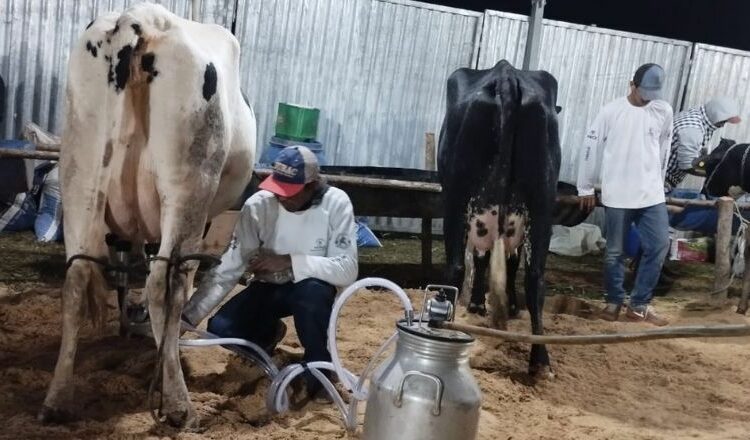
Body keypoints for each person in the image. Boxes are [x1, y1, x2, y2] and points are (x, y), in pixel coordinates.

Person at [182, 145, 358, 398]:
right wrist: (187, 319)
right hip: (270, 286)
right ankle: (268, 346)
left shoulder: (336, 203)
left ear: (312, 185)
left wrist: (289, 261)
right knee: (222, 328)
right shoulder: (258, 207)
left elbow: (347, 269)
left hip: (312, 288)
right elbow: (228, 270)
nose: (282, 198)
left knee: (312, 293)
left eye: (290, 192)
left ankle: (318, 366)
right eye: (278, 190)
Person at [577, 63, 673, 326]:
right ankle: (613, 300)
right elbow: (590, 145)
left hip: (652, 194)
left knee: (659, 245)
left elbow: (663, 147)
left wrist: (660, 182)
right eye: (643, 90)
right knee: (614, 252)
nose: (647, 96)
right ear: (632, 84)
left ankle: (639, 304)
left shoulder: (663, 110)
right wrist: (584, 185)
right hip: (618, 194)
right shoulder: (611, 111)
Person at [664, 97, 742, 193]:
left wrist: (706, 158)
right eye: (723, 122)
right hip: (661, 178)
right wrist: (716, 173)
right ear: (716, 116)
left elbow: (695, 154)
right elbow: (687, 166)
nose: (722, 126)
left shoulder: (698, 114)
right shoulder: (693, 130)